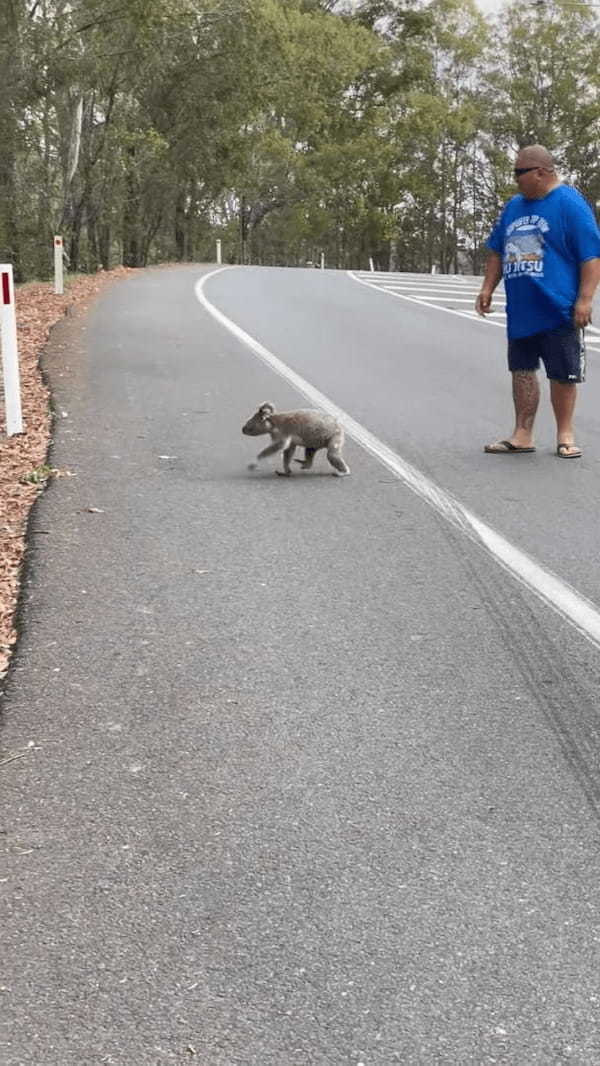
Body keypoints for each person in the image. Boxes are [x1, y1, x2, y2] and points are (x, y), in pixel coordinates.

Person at [476, 144, 600, 458]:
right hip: (521, 309)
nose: (515, 179)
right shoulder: (514, 206)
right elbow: (497, 251)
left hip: (559, 307)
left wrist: (585, 299)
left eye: (520, 173)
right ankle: (522, 434)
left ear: (541, 172)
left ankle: (565, 434)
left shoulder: (569, 203)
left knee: (562, 372)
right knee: (521, 370)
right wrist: (487, 288)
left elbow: (590, 256)